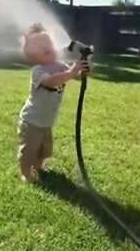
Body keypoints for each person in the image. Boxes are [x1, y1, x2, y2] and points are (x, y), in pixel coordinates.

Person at [17, 23, 90, 182]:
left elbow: (76, 75)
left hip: (46, 121)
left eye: (49, 43)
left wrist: (84, 64)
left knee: (43, 149)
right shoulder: (38, 71)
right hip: (32, 121)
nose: (48, 47)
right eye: (42, 46)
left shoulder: (59, 65)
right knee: (29, 150)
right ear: (33, 56)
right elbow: (51, 82)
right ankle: (25, 173)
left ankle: (38, 167)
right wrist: (71, 71)